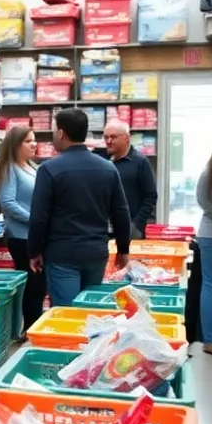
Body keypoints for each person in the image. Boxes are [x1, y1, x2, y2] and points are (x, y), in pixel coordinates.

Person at [28, 108, 131, 306]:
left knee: (66, 313)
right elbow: (121, 212)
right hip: (96, 253)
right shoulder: (108, 169)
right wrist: (123, 249)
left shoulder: (49, 169)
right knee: (90, 310)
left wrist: (34, 251)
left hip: (62, 254)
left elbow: (39, 216)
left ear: (61, 133)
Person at [0, 125, 46, 329]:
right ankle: (30, 328)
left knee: (40, 286)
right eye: (28, 141)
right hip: (21, 237)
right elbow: (8, 203)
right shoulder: (9, 168)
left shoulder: (32, 167)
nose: (34, 144)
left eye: (34, 140)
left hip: (35, 235)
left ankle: (34, 326)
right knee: (33, 284)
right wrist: (35, 220)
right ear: (15, 145)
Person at [103, 119, 157, 238]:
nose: (108, 141)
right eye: (106, 137)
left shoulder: (140, 162)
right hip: (104, 230)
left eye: (113, 137)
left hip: (130, 230)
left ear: (126, 138)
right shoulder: (103, 161)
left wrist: (136, 224)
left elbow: (151, 196)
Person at [196, 156, 212, 353]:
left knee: (209, 285)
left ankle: (210, 341)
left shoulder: (208, 172)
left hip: (209, 232)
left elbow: (202, 201)